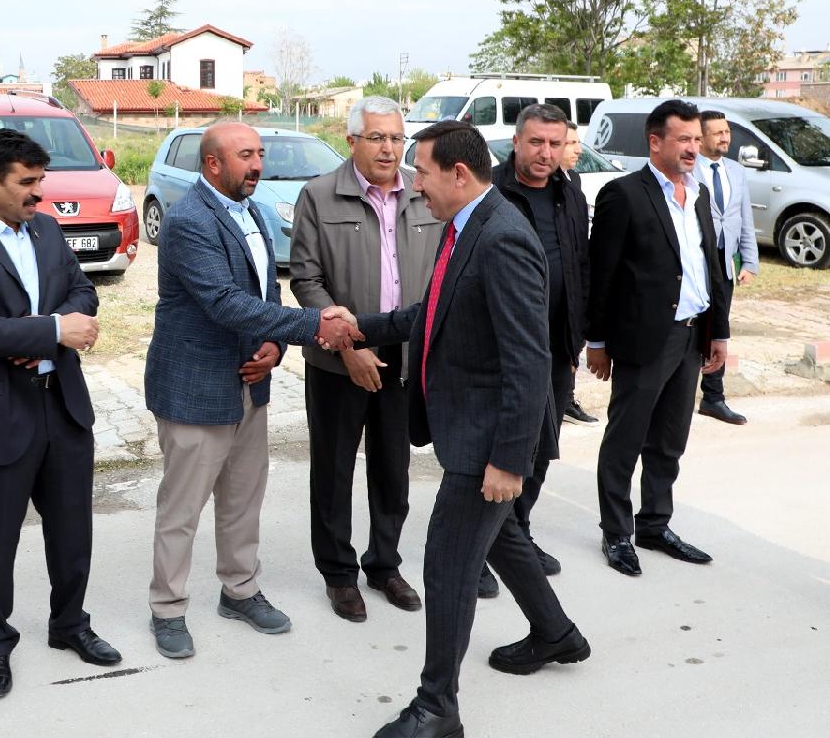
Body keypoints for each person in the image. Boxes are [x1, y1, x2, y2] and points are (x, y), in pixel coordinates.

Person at [337, 121, 589, 738]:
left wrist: (509, 460)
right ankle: (556, 633)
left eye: (421, 172)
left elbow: (528, 359)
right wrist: (358, 325)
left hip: (489, 439)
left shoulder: (502, 238)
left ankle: (436, 708)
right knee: (501, 539)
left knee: (447, 565)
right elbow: (431, 315)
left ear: (457, 173)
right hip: (471, 426)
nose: (413, 184)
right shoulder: (465, 225)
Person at [145, 122, 365, 660]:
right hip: (196, 388)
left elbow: (266, 291)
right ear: (213, 163)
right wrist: (313, 325)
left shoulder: (252, 213)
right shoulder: (189, 220)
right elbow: (223, 301)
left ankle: (239, 591)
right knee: (182, 508)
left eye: (260, 154)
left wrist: (275, 344)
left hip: (250, 382)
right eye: (246, 155)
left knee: (243, 500)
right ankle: (167, 608)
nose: (258, 165)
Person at [0, 128, 119, 699]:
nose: (39, 192)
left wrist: (48, 331)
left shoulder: (48, 230)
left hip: (62, 404)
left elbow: (84, 293)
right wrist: (51, 331)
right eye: (27, 182)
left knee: (72, 529)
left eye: (41, 180)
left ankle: (70, 624)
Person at [290, 97, 442, 623]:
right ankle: (338, 574)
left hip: (404, 357)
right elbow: (306, 279)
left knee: (393, 469)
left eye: (397, 138)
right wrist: (349, 347)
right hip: (338, 361)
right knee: (333, 470)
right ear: (351, 140)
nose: (388, 149)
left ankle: (384, 565)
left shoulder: (422, 192)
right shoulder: (318, 195)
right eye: (377, 137)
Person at [587, 99, 730, 576]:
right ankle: (616, 532)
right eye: (683, 139)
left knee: (670, 440)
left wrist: (719, 332)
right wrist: (597, 342)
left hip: (692, 336)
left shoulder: (699, 194)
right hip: (645, 338)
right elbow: (602, 274)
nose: (694, 148)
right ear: (655, 142)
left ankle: (654, 524)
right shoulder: (624, 194)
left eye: (697, 139)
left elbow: (711, 267)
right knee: (626, 439)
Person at [489, 103, 590, 577]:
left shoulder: (571, 194)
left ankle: (518, 534)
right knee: (495, 450)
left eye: (555, 143)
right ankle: (483, 547)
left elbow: (580, 267)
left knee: (541, 448)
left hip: (554, 349)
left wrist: (575, 343)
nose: (545, 153)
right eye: (536, 142)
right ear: (516, 142)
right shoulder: (490, 192)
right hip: (499, 350)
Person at [692, 109, 758, 425]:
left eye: (727, 132)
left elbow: (744, 218)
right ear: (702, 136)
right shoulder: (689, 168)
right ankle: (674, 393)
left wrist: (750, 261)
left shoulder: (736, 171)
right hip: (694, 260)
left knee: (719, 328)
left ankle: (713, 397)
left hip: (724, 262)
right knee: (690, 327)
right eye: (718, 132)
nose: (725, 137)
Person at [560, 121, 599, 425]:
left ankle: (567, 398)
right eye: (571, 143)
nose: (578, 150)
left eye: (577, 142)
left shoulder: (574, 179)